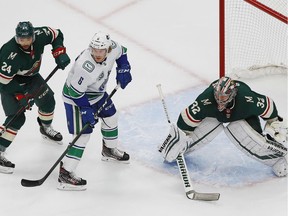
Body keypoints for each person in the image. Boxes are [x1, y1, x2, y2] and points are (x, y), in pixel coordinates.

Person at [158, 76, 287, 177]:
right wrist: (180, 138)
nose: (219, 99)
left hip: (244, 116)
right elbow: (186, 117)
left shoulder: (247, 100)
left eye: (224, 96)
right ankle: (182, 149)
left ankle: (277, 160)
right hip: (214, 117)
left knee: (239, 131)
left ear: (233, 94)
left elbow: (268, 106)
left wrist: (274, 124)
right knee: (211, 125)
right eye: (217, 95)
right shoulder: (206, 100)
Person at [59, 31, 132, 190]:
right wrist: (85, 109)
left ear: (108, 50)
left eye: (101, 51)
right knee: (82, 135)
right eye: (94, 50)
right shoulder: (85, 66)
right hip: (76, 98)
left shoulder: (112, 48)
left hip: (97, 93)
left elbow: (123, 52)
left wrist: (124, 68)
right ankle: (65, 173)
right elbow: (75, 91)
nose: (97, 54)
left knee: (111, 117)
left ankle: (109, 150)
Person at [0, 21, 71, 174]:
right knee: (17, 118)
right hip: (10, 84)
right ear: (16, 37)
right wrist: (21, 96)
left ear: (33, 36)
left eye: (27, 39)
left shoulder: (40, 35)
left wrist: (59, 52)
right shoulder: (9, 53)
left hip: (31, 77)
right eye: (21, 39)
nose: (24, 43)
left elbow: (56, 34)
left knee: (48, 101)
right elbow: (3, 83)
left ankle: (45, 128)